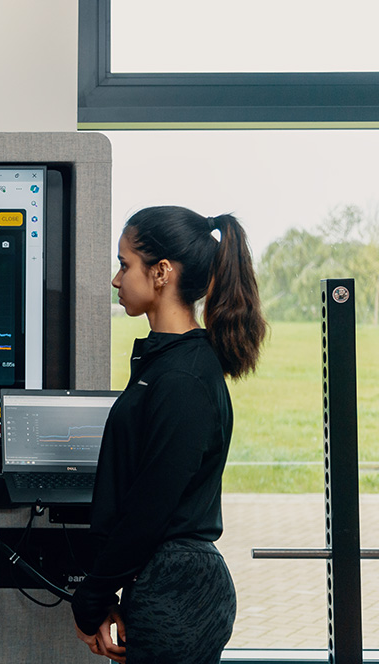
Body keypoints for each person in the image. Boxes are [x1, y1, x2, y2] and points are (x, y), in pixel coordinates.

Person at [70, 205, 267, 663]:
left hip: (180, 596)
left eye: (124, 264)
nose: (116, 280)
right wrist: (105, 596)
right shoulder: (166, 365)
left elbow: (149, 509)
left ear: (161, 272)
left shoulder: (184, 378)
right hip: (158, 583)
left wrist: (91, 600)